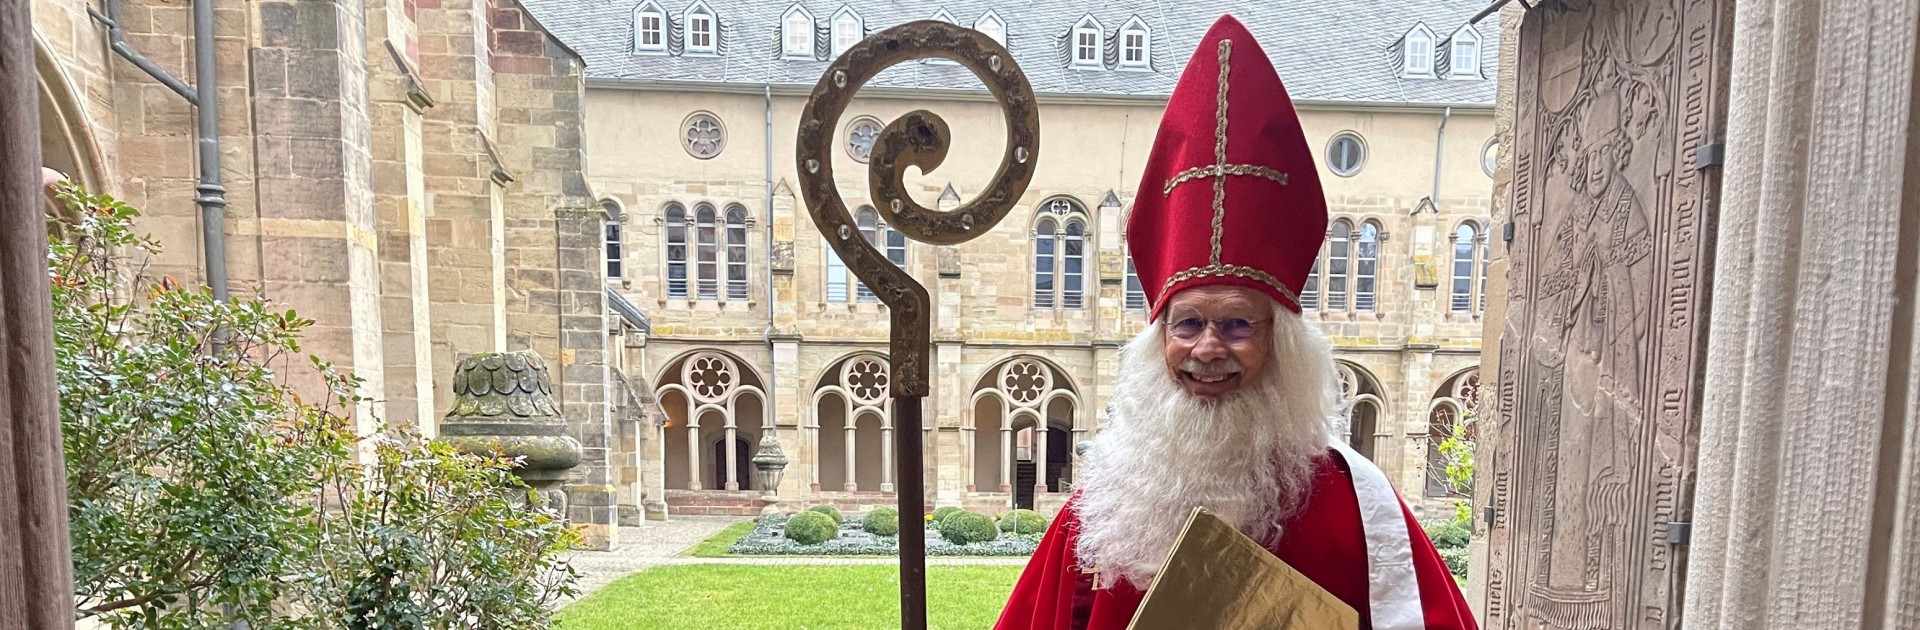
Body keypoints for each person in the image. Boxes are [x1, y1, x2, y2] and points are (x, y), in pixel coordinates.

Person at [993, 15, 1476, 630]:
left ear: (1283, 346)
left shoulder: (1358, 505)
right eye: (1188, 323)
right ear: (1158, 339)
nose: (1209, 349)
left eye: (1240, 326)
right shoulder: (1107, 505)